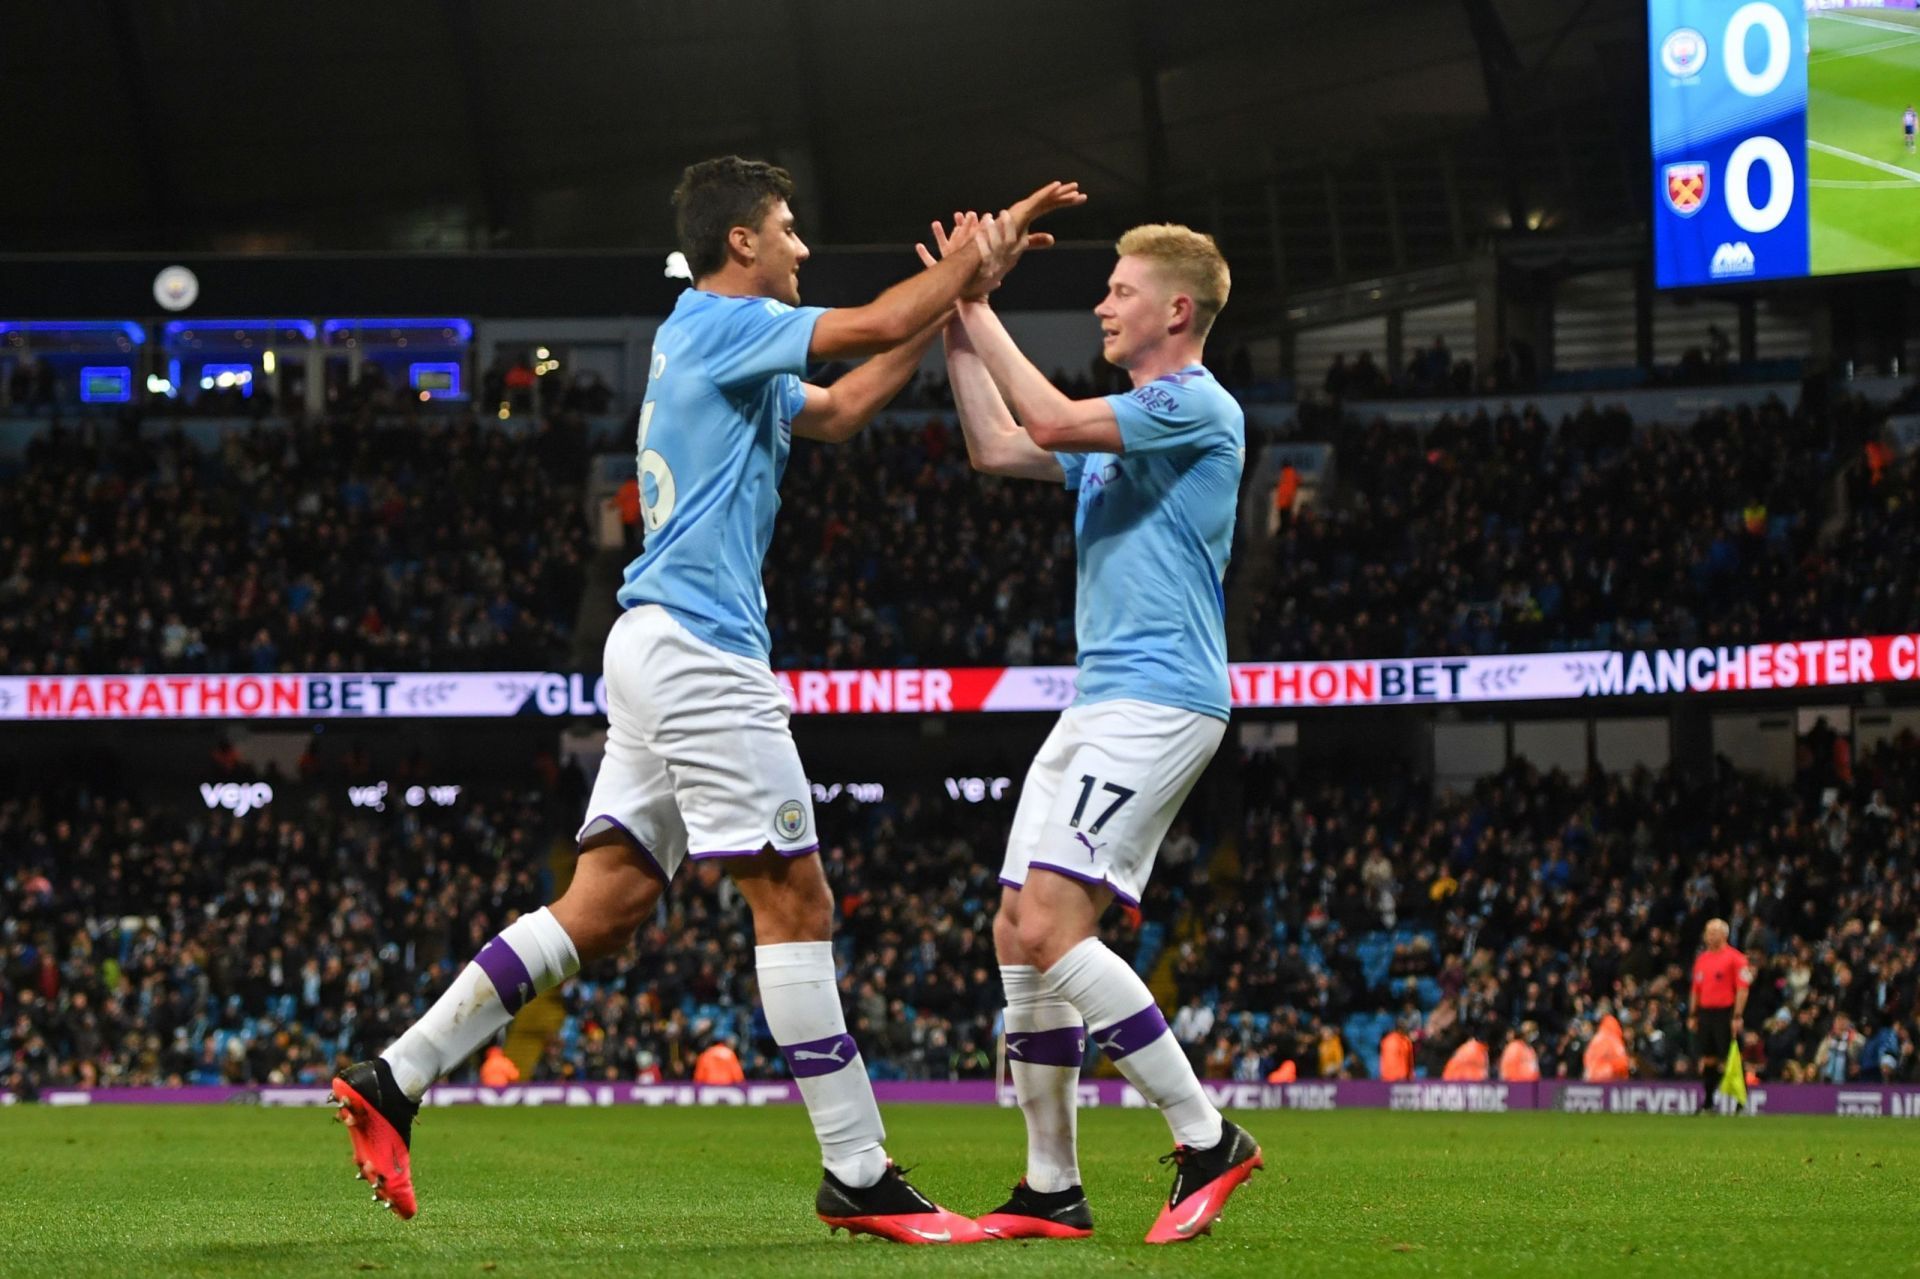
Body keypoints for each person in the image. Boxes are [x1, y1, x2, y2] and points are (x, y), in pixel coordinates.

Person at [328, 156, 1085, 1241]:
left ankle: (394, 1075)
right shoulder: (716, 325)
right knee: (798, 902)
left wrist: (959, 300)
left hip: (651, 646)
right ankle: (858, 1170)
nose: (800, 248)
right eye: (788, 229)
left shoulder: (727, 348)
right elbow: (870, 323)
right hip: (700, 651)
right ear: (743, 243)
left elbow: (851, 400)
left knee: (608, 905)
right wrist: (983, 247)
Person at [927, 218, 1257, 1243]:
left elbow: (1059, 421)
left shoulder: (1193, 405)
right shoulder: (1132, 427)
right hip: (1101, 697)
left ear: (1177, 311)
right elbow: (998, 445)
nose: (1103, 305)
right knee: (1014, 929)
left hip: (1161, 699)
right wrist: (951, 319)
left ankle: (1207, 1139)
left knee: (1055, 928)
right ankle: (1049, 1187)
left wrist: (982, 303)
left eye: (1119, 291)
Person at [1688, 917, 1750, 1113]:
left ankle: (1741, 1102)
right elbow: (1695, 990)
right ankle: (1708, 1102)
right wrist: (1693, 1014)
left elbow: (1742, 988)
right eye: (1707, 932)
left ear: (1724, 934)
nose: (1709, 936)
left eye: (1713, 932)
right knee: (1708, 1058)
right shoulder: (1701, 959)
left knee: (1732, 1057)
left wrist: (1737, 1016)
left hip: (1726, 1013)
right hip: (1706, 1013)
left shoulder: (1736, 959)